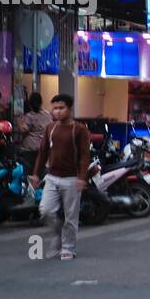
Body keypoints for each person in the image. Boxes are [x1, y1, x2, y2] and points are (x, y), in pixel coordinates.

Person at [31, 94, 91, 261]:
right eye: (55, 108)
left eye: (61, 108)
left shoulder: (79, 129)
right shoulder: (50, 128)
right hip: (52, 177)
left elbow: (85, 155)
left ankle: (68, 247)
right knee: (45, 211)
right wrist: (36, 174)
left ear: (70, 109)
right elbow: (42, 152)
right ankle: (58, 236)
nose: (57, 111)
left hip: (71, 179)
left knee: (71, 217)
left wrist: (81, 177)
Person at [17, 93, 52, 170]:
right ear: (41, 102)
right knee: (41, 170)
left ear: (30, 104)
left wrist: (18, 120)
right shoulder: (48, 115)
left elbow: (23, 130)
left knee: (29, 170)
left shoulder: (30, 116)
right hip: (43, 146)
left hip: (30, 148)